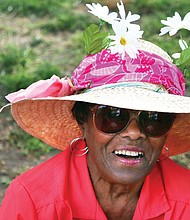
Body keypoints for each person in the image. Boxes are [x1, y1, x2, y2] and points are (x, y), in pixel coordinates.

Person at [0, 1, 190, 219]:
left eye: (154, 119)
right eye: (113, 115)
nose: (134, 133)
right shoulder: (32, 201)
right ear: (82, 120)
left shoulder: (186, 200)